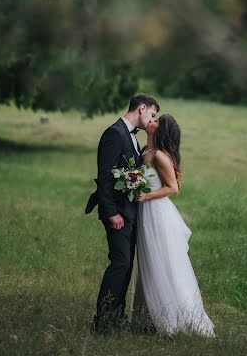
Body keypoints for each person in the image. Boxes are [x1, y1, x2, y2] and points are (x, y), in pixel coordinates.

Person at [132, 114, 215, 337]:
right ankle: (146, 318)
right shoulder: (144, 151)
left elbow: (173, 188)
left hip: (157, 213)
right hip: (145, 212)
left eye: (156, 120)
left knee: (163, 260)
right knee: (148, 261)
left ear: (160, 130)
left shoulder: (160, 155)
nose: (152, 121)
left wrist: (146, 197)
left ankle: (173, 318)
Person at [85, 93, 160, 332]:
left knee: (126, 266)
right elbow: (105, 176)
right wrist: (110, 213)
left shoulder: (132, 137)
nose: (152, 119)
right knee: (120, 264)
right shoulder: (114, 134)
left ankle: (116, 319)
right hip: (117, 214)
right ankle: (103, 322)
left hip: (130, 212)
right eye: (152, 113)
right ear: (141, 108)